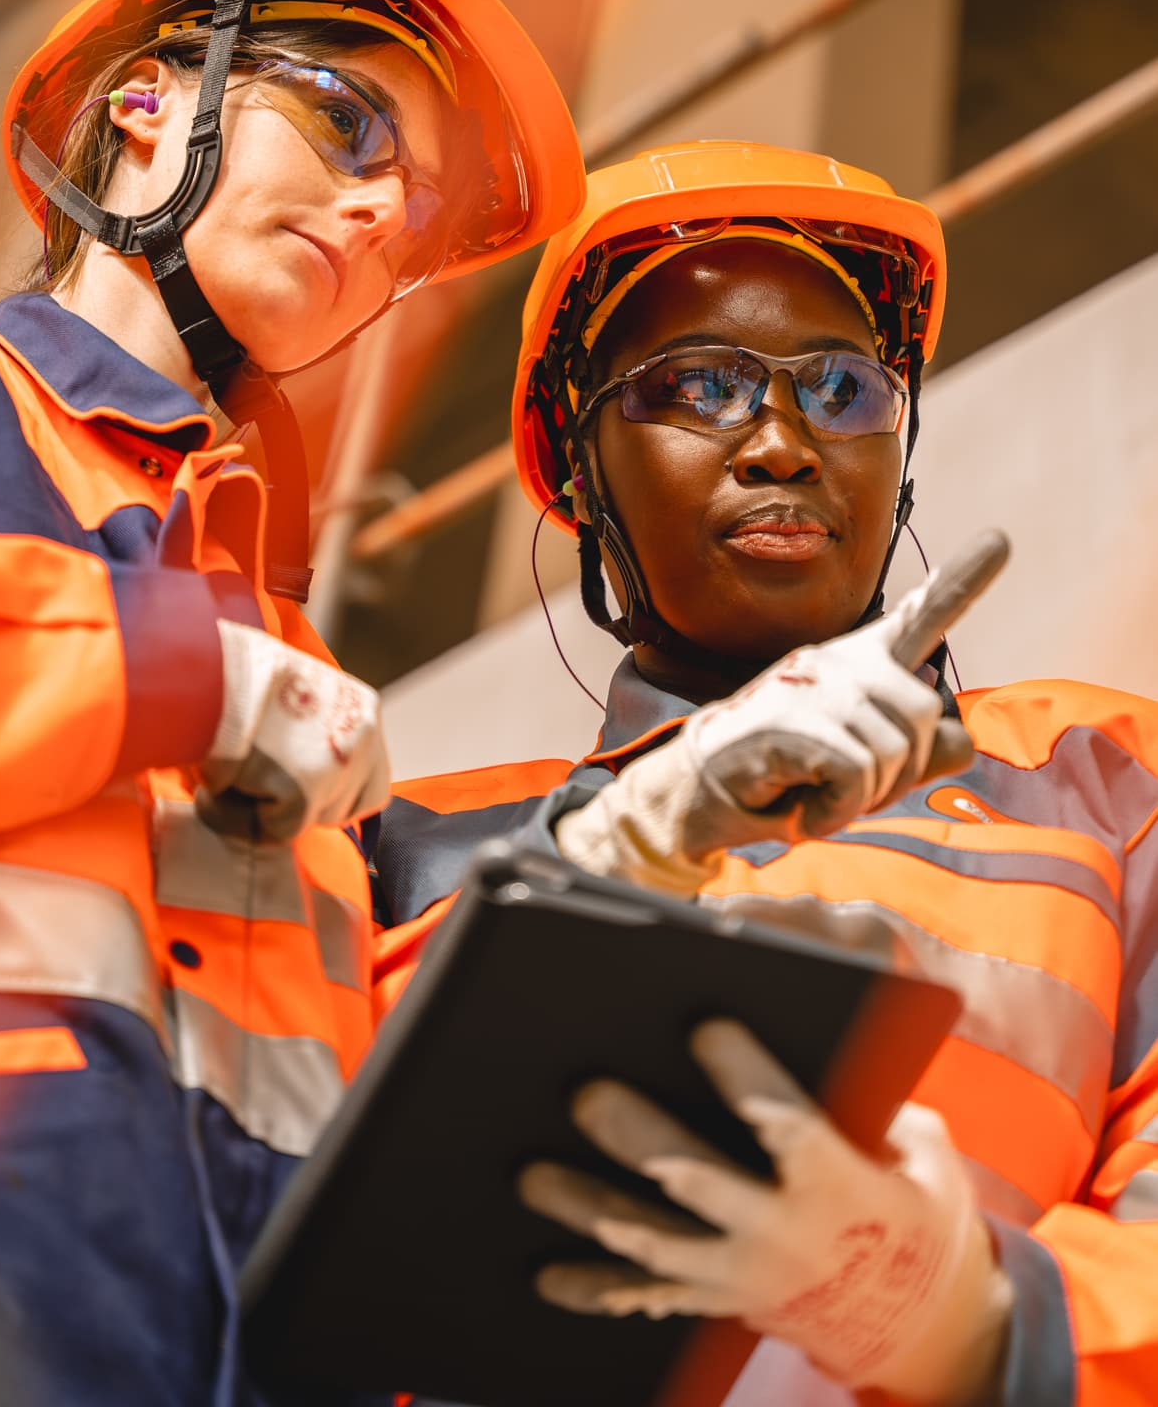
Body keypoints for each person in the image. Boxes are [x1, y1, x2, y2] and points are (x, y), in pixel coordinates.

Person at [0, 0, 584, 1407]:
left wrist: (632, 845)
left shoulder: (293, 672)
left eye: (418, 217)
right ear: (149, 103)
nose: (380, 219)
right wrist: (167, 670)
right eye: (348, 124)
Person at [369, 138, 1158, 1407]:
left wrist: (975, 1323)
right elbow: (301, 1228)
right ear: (580, 469)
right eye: (699, 386)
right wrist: (597, 854)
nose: (783, 441)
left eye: (842, 388)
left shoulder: (1108, 775)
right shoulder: (412, 846)